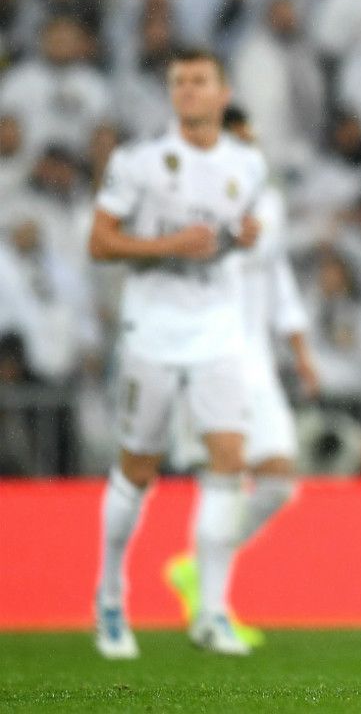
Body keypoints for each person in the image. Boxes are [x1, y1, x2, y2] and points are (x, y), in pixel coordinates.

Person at [89, 49, 269, 659]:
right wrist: (168, 245)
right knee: (138, 468)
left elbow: (227, 237)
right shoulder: (138, 162)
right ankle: (110, 599)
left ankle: (212, 613)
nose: (188, 90)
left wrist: (239, 238)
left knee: (229, 460)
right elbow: (100, 242)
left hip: (217, 325)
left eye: (199, 81)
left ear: (223, 93)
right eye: (179, 82)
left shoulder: (248, 164)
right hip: (154, 327)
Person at [163, 106, 318, 649]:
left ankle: (195, 570)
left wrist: (300, 349)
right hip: (207, 360)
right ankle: (212, 614)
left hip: (256, 362)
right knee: (222, 480)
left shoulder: (266, 202)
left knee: (277, 483)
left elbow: (277, 274)